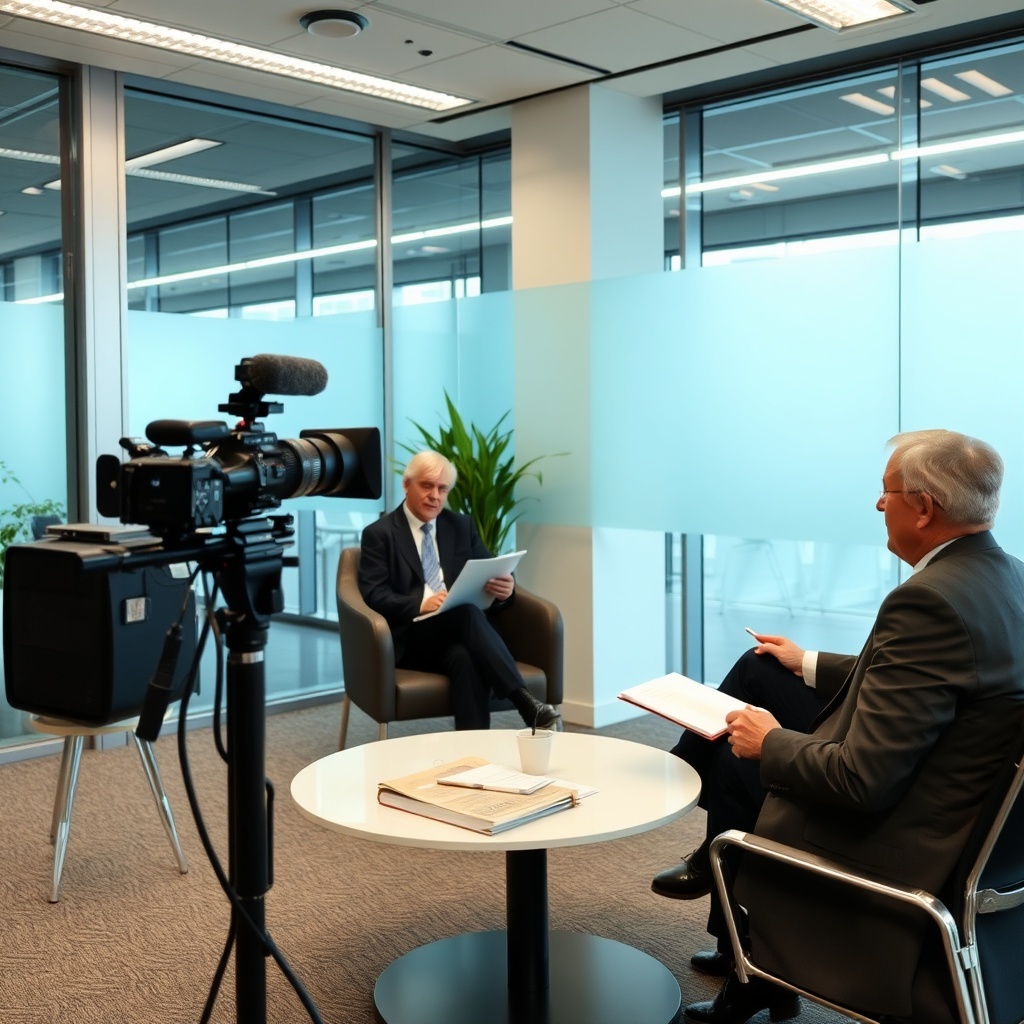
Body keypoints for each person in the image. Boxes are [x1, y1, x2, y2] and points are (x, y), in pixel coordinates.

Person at [659, 430, 1024, 1024]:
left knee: (737, 759)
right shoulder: (1005, 576)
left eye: (887, 493)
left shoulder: (927, 601)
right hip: (945, 784)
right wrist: (804, 662)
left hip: (897, 832)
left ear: (925, 507)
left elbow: (861, 781)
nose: (880, 505)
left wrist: (770, 742)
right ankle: (715, 869)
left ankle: (752, 962)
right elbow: (927, 677)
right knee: (759, 671)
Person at [358, 450, 561, 732]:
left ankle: (473, 754)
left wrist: (506, 589)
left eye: (442, 489)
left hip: (461, 634)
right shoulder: (379, 533)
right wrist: (421, 603)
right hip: (412, 636)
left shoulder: (460, 526)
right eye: (427, 486)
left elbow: (491, 568)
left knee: (465, 658)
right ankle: (524, 701)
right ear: (407, 484)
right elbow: (373, 594)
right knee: (466, 613)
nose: (435, 496)